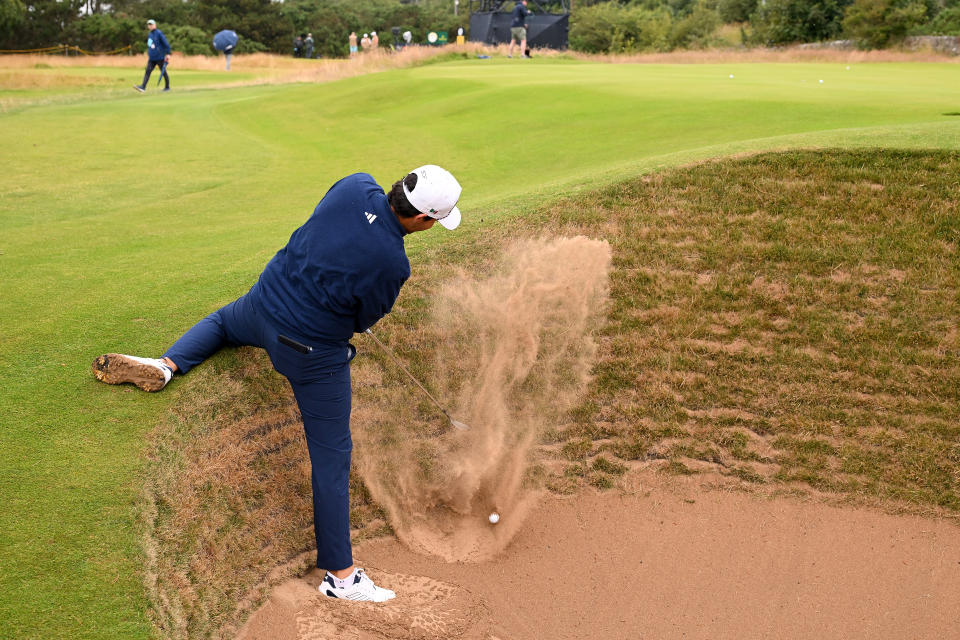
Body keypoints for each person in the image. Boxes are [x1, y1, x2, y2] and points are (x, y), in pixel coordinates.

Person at [91, 165, 464, 602]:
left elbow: (326, 229)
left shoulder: (355, 184)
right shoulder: (392, 263)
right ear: (423, 219)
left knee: (222, 321)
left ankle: (168, 364)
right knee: (332, 457)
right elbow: (363, 321)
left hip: (261, 305)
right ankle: (341, 577)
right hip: (309, 353)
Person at [133, 19, 170, 93]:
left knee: (163, 72)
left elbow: (166, 44)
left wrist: (168, 54)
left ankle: (167, 87)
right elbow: (150, 44)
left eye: (151, 24)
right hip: (152, 57)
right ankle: (143, 87)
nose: (150, 26)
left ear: (155, 25)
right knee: (148, 71)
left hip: (160, 57)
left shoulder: (159, 33)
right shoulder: (150, 34)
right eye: (149, 25)